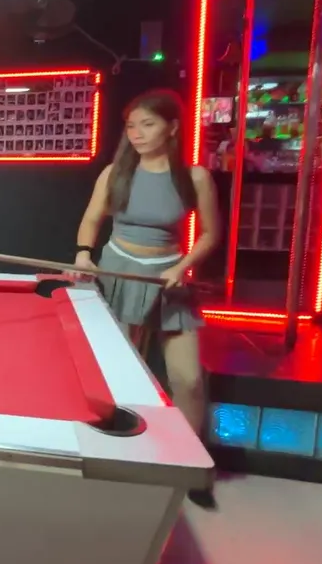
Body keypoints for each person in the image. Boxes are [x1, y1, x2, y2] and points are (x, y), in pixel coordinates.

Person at [73, 89, 220, 508]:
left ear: (172, 128)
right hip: (120, 273)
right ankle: (125, 460)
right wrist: (83, 254)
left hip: (169, 278)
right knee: (124, 377)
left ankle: (191, 465)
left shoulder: (195, 177)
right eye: (131, 126)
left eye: (148, 124)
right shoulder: (114, 173)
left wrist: (183, 265)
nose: (136, 133)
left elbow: (211, 233)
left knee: (188, 380)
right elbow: (91, 219)